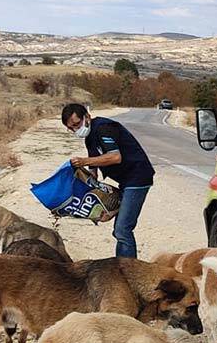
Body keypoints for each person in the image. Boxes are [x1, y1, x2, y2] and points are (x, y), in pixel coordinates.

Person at [62, 103, 155, 258]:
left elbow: (115, 157)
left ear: (87, 117)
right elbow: (93, 171)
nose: (76, 130)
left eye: (77, 125)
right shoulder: (89, 138)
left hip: (138, 177)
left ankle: (128, 271)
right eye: (71, 128)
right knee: (118, 230)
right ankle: (122, 266)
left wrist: (84, 161)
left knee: (123, 229)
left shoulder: (104, 128)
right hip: (125, 181)